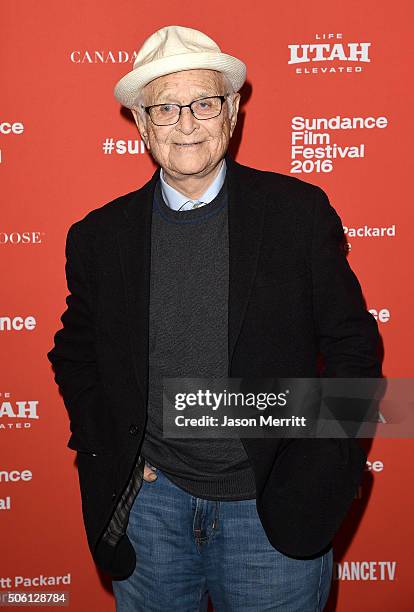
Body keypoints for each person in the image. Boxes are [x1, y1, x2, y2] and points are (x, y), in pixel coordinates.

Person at [47, 25, 382, 611]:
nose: (186, 123)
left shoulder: (296, 214)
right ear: (142, 123)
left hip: (273, 506)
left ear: (231, 113)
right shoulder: (100, 237)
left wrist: (323, 460)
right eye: (166, 107)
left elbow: (355, 347)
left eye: (204, 103)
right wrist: (112, 450)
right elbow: (75, 356)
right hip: (151, 511)